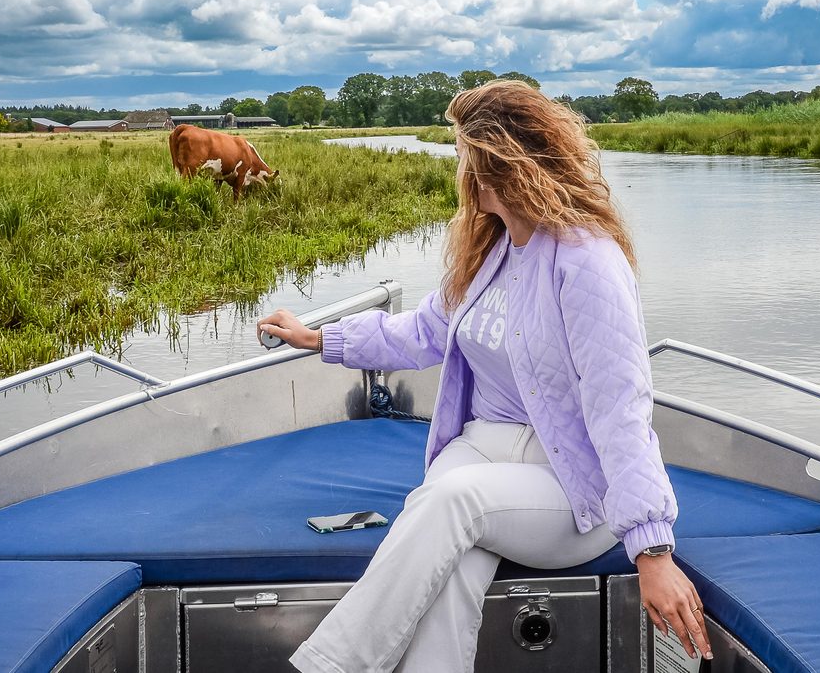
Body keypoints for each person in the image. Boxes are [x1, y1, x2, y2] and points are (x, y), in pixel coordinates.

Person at [257, 79, 711, 672]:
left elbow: (620, 407)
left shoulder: (587, 261)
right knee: (448, 573)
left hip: (569, 483)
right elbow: (423, 332)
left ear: (499, 164)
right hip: (480, 452)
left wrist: (652, 549)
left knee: (451, 501)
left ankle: (326, 667)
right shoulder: (491, 251)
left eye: (463, 156)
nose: (458, 170)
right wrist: (321, 337)